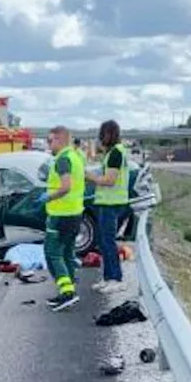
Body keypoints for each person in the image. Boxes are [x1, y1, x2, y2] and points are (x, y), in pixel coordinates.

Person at [41, 125, 85, 311]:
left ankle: (67, 292)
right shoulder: (75, 157)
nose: (48, 144)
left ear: (59, 140)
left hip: (60, 215)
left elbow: (66, 186)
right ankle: (69, 291)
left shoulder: (62, 160)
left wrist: (48, 197)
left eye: (50, 140)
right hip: (75, 214)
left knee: (52, 254)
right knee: (67, 253)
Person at [86, 120, 129, 294]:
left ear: (107, 134)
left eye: (102, 135)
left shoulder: (116, 153)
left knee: (108, 242)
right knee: (103, 242)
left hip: (111, 203)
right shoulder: (113, 153)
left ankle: (116, 278)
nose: (100, 138)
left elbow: (110, 180)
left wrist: (91, 177)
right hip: (107, 202)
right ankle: (107, 277)